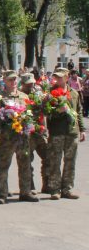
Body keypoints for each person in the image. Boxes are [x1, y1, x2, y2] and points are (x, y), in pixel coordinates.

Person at [0, 71, 39, 204]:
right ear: (4, 81)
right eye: (10, 80)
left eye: (15, 80)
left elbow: (30, 114)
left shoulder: (24, 96)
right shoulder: (0, 97)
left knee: (25, 164)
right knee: (3, 164)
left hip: (22, 136)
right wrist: (5, 118)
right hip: (7, 136)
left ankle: (25, 192)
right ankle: (2, 194)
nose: (13, 82)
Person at [46, 68, 86, 200]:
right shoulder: (51, 93)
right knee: (55, 161)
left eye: (61, 76)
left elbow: (78, 112)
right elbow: (47, 113)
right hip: (57, 131)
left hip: (71, 132)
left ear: (67, 77)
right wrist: (59, 110)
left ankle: (67, 189)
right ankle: (55, 190)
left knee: (70, 161)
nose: (58, 79)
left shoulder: (74, 93)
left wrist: (83, 130)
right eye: (56, 76)